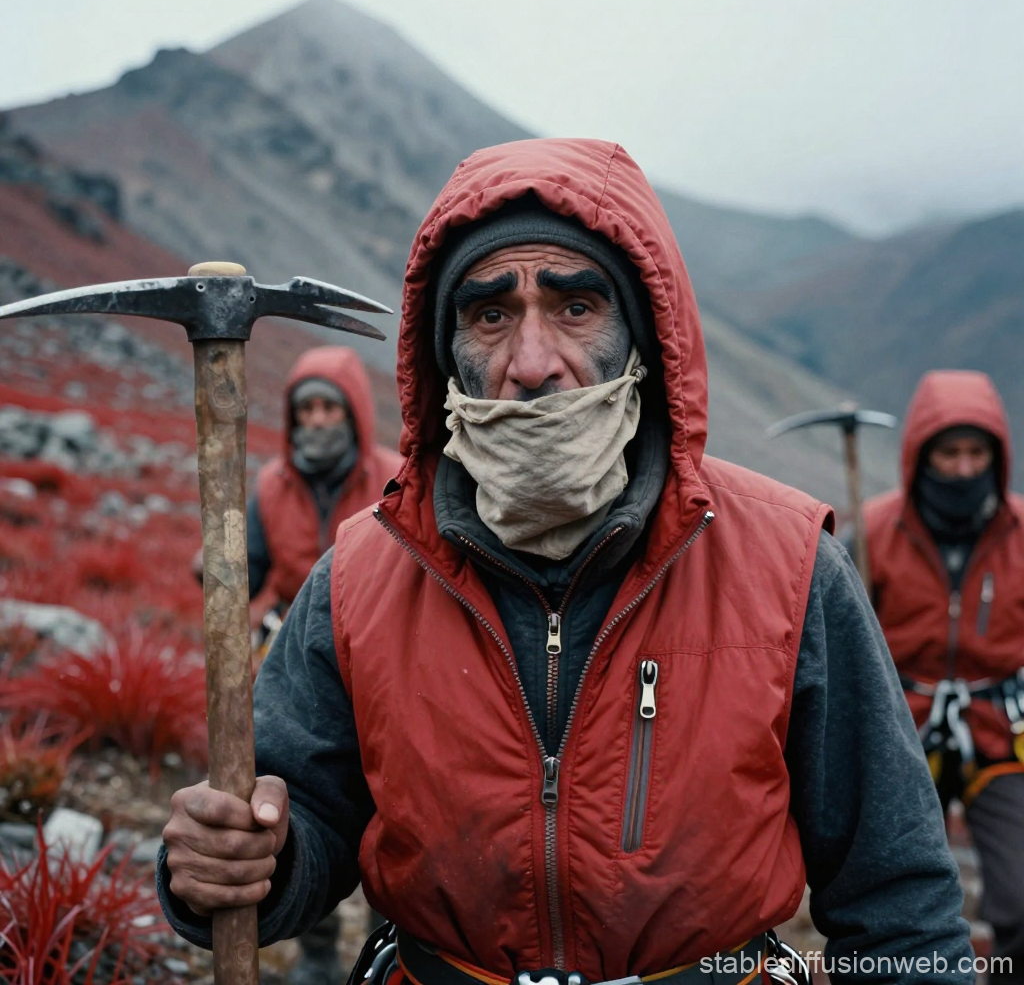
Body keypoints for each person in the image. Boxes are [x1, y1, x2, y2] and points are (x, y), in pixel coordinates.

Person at [159, 139, 973, 985]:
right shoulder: (364, 573)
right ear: (445, 358)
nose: (533, 362)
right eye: (489, 314)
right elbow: (301, 819)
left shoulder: (790, 563)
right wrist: (245, 859)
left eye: (576, 306)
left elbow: (898, 895)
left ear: (644, 338)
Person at [192, 344, 402, 985]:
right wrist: (218, 568)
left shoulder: (397, 480)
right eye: (304, 408)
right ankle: (315, 953)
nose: (315, 420)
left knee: (390, 814)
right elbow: (248, 571)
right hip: (293, 661)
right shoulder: (269, 487)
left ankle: (386, 942)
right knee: (296, 804)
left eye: (328, 408)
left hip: (384, 667)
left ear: (356, 416)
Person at [862, 370, 1024, 984]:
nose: (962, 468)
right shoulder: (875, 533)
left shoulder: (1021, 535)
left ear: (997, 457)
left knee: (1022, 899)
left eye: (976, 453)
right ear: (920, 455)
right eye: (948, 451)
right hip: (900, 731)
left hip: (1001, 737)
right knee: (891, 897)